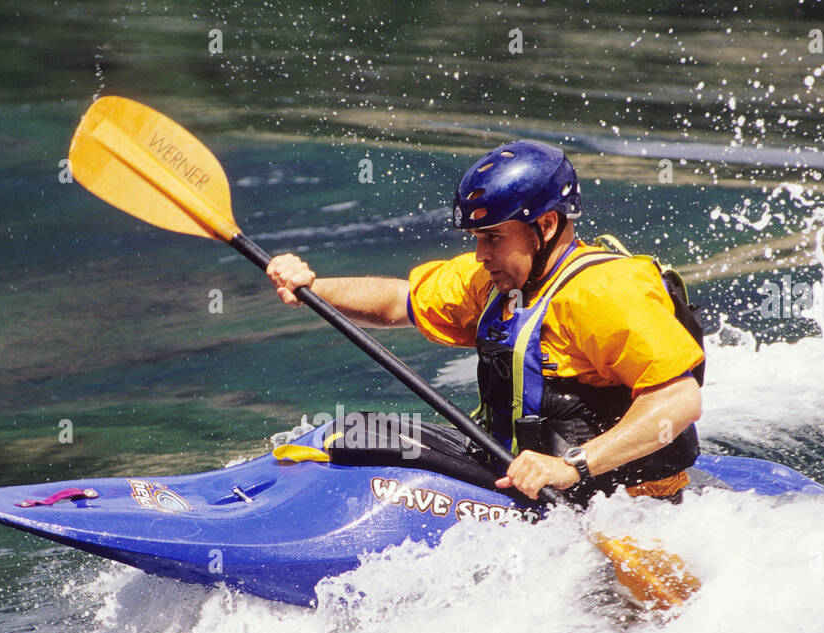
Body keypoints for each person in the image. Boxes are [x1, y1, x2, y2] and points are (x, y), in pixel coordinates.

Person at [265, 139, 704, 503]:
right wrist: (314, 288)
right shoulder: (496, 281)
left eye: (493, 237)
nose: (480, 254)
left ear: (546, 225)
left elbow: (679, 401)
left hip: (626, 499)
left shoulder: (605, 293)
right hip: (514, 471)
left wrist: (572, 466)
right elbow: (399, 301)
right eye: (477, 238)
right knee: (355, 434)